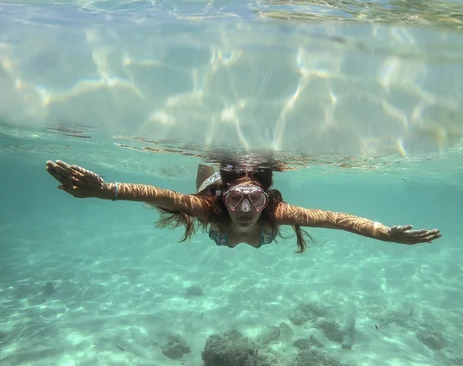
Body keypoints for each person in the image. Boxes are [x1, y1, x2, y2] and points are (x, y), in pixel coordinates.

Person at [45, 159, 441, 251]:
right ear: (225, 199)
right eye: (237, 197)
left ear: (267, 199)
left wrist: (384, 233)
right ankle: (216, 176)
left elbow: (339, 220)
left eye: (255, 197)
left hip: (234, 211)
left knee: (249, 238)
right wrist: (107, 188)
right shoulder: (211, 208)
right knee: (206, 189)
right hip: (213, 189)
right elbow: (157, 195)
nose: (246, 207)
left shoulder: (275, 213)